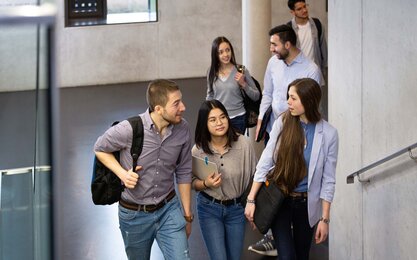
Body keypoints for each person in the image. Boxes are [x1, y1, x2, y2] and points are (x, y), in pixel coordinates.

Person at [94, 79, 193, 260]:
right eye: (176, 103)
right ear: (158, 109)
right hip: (134, 215)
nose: (183, 107)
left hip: (168, 209)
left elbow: (184, 171)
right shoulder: (128, 129)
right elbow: (100, 148)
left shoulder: (183, 129)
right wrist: (122, 173)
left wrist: (187, 215)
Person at [250, 24, 323, 256]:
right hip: (275, 129)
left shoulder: (311, 69)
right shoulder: (273, 63)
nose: (271, 49)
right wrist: (262, 118)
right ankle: (274, 233)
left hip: (298, 135)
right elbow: (268, 94)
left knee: (295, 178)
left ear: (287, 44)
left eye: (274, 44)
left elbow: (313, 105)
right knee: (274, 177)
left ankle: (290, 224)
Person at [245, 78, 339, 260]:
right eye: (288, 96)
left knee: (302, 255)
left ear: (308, 101)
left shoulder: (329, 134)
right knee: (287, 256)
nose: (288, 102)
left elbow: (328, 179)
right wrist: (251, 199)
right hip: (281, 199)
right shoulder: (283, 122)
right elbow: (266, 160)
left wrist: (325, 219)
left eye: (293, 98)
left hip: (306, 205)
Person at [192, 99, 257, 260]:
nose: (219, 123)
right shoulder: (198, 150)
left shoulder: (244, 144)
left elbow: (255, 177)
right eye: (212, 120)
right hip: (209, 208)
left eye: (222, 117)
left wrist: (253, 205)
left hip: (237, 209)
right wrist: (206, 183)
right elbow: (192, 183)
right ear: (204, 124)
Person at [207, 36, 260, 134]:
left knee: (235, 149)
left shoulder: (241, 70)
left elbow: (256, 96)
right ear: (215, 54)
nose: (226, 54)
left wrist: (244, 84)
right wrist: (208, 114)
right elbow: (210, 95)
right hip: (219, 120)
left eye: (228, 50)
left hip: (238, 119)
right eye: (221, 52)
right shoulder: (211, 72)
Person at [287, 0, 327, 72]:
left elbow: (323, 47)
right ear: (292, 12)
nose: (304, 10)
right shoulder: (288, 28)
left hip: (315, 71)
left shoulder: (317, 24)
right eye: (299, 9)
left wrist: (325, 69)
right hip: (297, 72)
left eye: (305, 6)